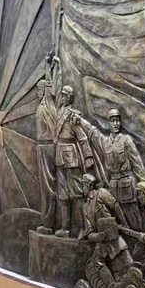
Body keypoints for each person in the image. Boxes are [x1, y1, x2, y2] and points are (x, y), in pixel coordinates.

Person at [77, 108, 145, 231]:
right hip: (113, 186)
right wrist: (80, 120)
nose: (116, 123)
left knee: (133, 219)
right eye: (113, 121)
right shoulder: (105, 142)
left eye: (117, 120)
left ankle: (138, 238)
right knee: (116, 219)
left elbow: (137, 162)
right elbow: (92, 132)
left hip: (128, 185)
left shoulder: (126, 140)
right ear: (108, 123)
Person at [78, 173, 133, 288]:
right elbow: (89, 233)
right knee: (96, 264)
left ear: (88, 186)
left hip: (114, 239)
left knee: (129, 268)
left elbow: (116, 206)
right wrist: (98, 236)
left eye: (83, 185)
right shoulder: (85, 207)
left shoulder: (101, 193)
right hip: (102, 243)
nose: (82, 188)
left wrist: (124, 224)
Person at [52, 85, 95, 237]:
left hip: (71, 157)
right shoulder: (59, 112)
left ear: (70, 98)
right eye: (62, 95)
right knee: (63, 194)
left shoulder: (72, 115)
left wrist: (88, 157)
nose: (63, 97)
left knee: (77, 194)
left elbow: (82, 137)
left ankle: (85, 227)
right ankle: (65, 228)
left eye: (65, 95)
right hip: (60, 157)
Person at [35, 53, 59, 235]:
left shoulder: (48, 104)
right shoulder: (45, 104)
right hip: (44, 147)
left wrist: (49, 67)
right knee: (46, 187)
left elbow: (50, 84)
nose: (37, 92)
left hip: (47, 147)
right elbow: (49, 84)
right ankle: (48, 222)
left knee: (48, 186)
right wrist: (47, 65)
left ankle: (49, 224)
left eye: (39, 89)